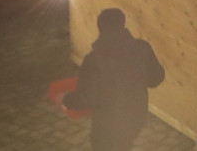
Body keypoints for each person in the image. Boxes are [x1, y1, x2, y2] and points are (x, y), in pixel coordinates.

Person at [64, 9, 165, 151]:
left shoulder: (93, 61)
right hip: (135, 116)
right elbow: (156, 78)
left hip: (106, 126)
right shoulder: (143, 48)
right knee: (125, 143)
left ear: (100, 28)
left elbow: (85, 99)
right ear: (123, 24)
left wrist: (67, 99)